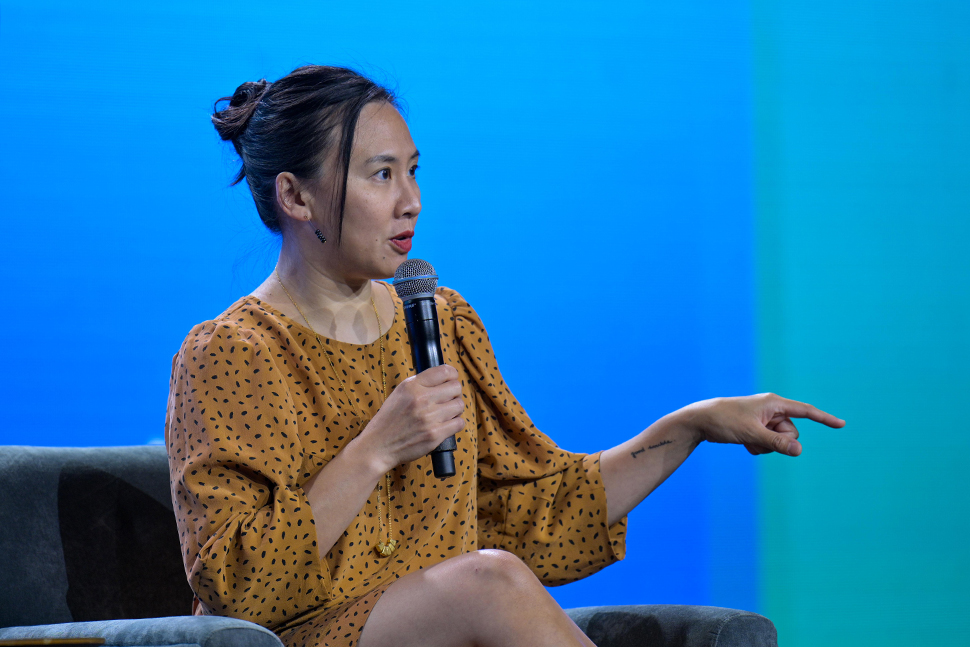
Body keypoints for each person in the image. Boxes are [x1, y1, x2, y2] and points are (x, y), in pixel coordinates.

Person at [165, 65, 844, 647]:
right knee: (487, 581)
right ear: (294, 194)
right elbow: (238, 588)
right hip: (306, 635)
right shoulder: (232, 352)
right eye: (380, 175)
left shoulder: (441, 322)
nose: (412, 201)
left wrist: (695, 422)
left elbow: (538, 509)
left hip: (446, 627)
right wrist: (372, 451)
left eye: (413, 171)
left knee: (490, 576)